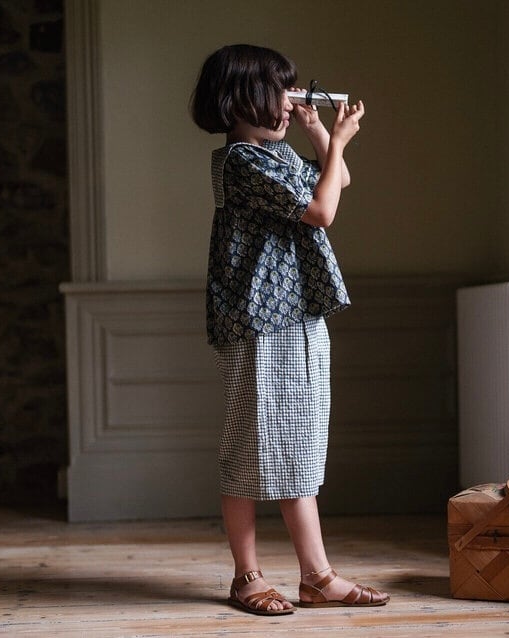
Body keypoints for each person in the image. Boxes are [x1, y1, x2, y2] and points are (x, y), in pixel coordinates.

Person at [190, 44, 389, 616]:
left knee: (298, 447)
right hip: (257, 320)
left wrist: (320, 131)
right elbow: (322, 211)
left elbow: (337, 179)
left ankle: (317, 577)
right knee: (249, 447)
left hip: (299, 313)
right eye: (279, 92)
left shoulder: (276, 155)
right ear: (240, 99)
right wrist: (338, 140)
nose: (287, 102)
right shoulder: (241, 162)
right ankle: (246, 576)